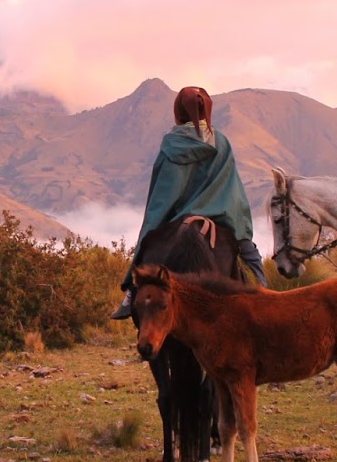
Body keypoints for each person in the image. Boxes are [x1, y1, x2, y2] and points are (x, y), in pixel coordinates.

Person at [110, 85, 268, 319]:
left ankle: (131, 295)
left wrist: (156, 222)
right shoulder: (221, 142)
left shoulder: (171, 145)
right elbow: (233, 189)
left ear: (179, 111)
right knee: (249, 254)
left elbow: (162, 193)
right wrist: (237, 222)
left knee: (146, 249)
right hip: (221, 216)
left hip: (178, 218)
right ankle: (264, 298)